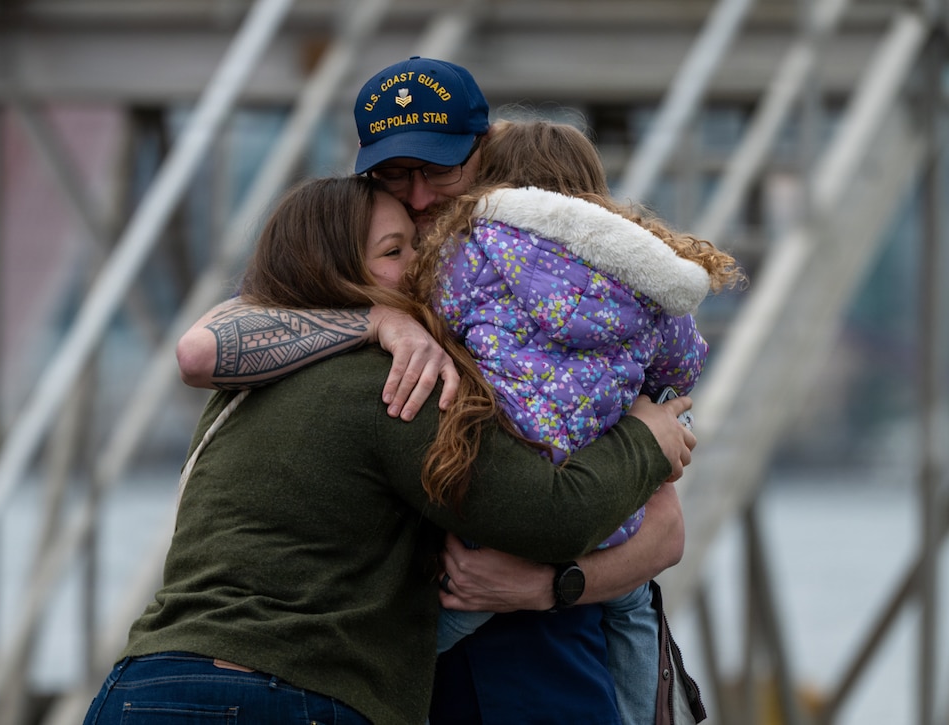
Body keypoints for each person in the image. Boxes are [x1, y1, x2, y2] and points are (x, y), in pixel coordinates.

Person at [175, 57, 700, 724]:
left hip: (536, 656)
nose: (420, 196)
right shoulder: (374, 283)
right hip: (388, 672)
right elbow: (208, 345)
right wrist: (377, 318)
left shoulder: (554, 298)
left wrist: (548, 585)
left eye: (440, 170)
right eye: (396, 173)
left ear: (486, 157)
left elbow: (665, 530)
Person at [406, 117, 744, 724]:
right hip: (604, 504)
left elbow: (436, 316)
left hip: (496, 497)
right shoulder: (642, 276)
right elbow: (685, 360)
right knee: (635, 613)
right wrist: (652, 395)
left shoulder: (462, 257)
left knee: (411, 645)